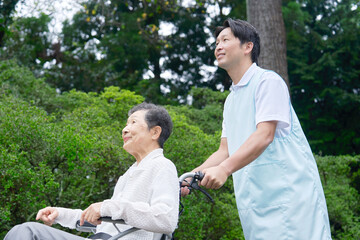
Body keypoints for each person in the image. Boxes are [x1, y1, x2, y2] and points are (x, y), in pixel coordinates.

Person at [183, 18, 332, 239]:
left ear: (248, 46)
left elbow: (265, 135)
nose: (218, 47)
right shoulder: (231, 101)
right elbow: (225, 151)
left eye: (225, 40)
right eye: (216, 43)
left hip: (291, 199)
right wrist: (189, 178)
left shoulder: (267, 82)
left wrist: (224, 170)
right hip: (255, 204)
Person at [5, 102, 179, 240]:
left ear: (155, 132)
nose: (124, 129)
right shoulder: (130, 173)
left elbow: (166, 219)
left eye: (133, 122)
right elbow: (106, 220)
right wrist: (60, 214)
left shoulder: (163, 166)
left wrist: (108, 207)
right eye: (126, 124)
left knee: (28, 232)